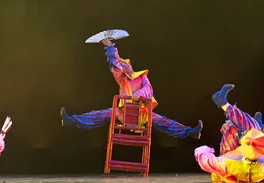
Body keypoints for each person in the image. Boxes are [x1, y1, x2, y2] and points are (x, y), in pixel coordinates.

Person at [61, 39, 202, 139]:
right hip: (123, 114)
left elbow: (149, 90)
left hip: (142, 114)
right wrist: (110, 47)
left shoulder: (142, 77)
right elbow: (115, 65)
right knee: (100, 114)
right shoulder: (122, 79)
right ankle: (72, 121)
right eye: (123, 66)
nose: (124, 66)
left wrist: (139, 95)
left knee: (163, 121)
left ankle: (190, 132)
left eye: (126, 64)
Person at [193, 84, 264, 183]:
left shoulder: (228, 164)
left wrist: (206, 150)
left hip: (230, 155)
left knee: (248, 126)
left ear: (245, 145)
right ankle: (257, 126)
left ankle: (224, 104)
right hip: (242, 155)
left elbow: (204, 159)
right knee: (252, 126)